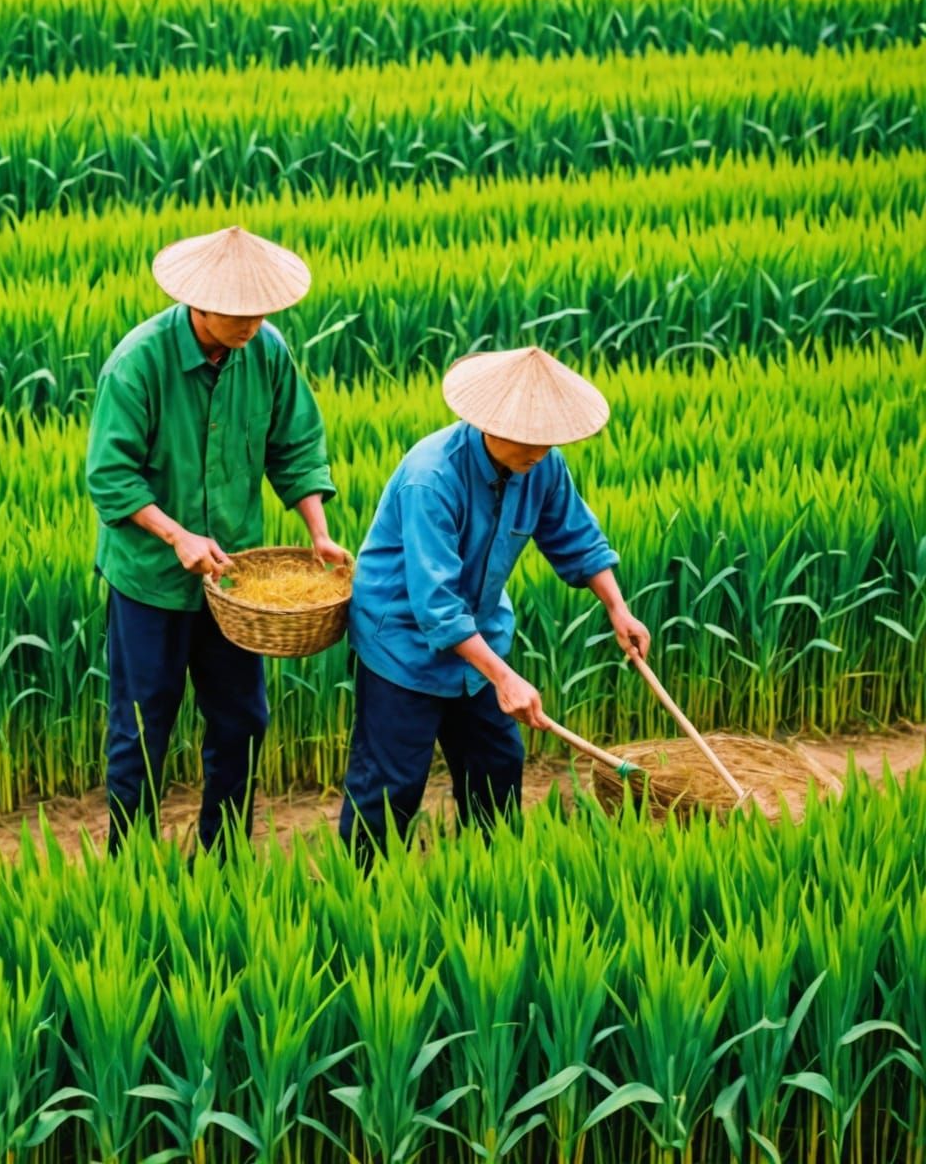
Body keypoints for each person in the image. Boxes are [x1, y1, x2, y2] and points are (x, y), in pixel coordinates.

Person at [87, 225, 349, 853]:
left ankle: (223, 853)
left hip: (235, 582)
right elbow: (110, 476)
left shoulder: (267, 352)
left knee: (244, 721)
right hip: (150, 580)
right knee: (141, 727)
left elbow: (294, 445)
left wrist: (318, 531)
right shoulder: (138, 362)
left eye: (260, 311)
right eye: (237, 314)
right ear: (196, 304)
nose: (251, 324)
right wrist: (176, 535)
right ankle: (132, 861)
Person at [338, 345, 650, 866]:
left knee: (497, 764)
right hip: (403, 646)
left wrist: (618, 608)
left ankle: (492, 878)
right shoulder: (431, 476)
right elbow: (436, 605)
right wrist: (505, 678)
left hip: (480, 640)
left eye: (547, 438)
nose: (539, 448)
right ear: (486, 422)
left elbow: (576, 537)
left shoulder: (542, 466)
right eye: (529, 438)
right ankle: (357, 893)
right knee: (391, 783)